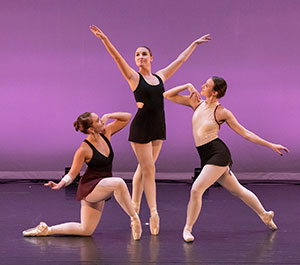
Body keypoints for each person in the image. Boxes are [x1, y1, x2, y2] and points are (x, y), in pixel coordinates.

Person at [89, 25, 211, 235]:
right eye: (137, 55)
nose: (140, 57)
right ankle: (153, 213)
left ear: (151, 58)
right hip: (141, 129)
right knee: (149, 171)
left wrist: (194, 44)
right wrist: (105, 39)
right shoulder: (134, 78)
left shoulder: (161, 76)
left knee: (143, 169)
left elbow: (180, 60)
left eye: (144, 54)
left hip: (157, 127)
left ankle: (134, 209)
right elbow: (117, 58)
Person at [163, 77, 289, 242]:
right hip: (206, 155)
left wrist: (270, 144)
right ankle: (265, 215)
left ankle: (187, 229)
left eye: (206, 85)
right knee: (238, 190)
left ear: (215, 92)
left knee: (196, 189)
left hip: (218, 154)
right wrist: (187, 85)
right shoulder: (197, 103)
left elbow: (245, 133)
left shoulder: (222, 112)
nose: (202, 85)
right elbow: (167, 95)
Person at [22, 111, 142, 240]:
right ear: (91, 129)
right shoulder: (83, 149)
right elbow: (72, 174)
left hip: (103, 185)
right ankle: (134, 218)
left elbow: (127, 118)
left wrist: (108, 116)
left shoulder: (106, 133)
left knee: (86, 230)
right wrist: (59, 184)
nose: (101, 121)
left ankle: (46, 230)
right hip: (90, 188)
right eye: (97, 121)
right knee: (118, 183)